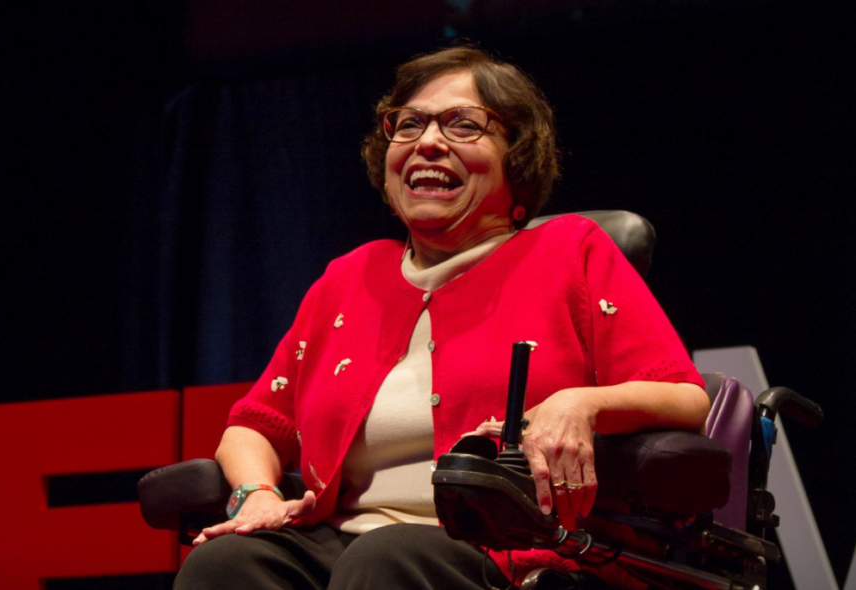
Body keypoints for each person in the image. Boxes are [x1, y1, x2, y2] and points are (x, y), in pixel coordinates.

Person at [174, 46, 710, 590]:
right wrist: (257, 493)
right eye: (407, 124)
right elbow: (255, 425)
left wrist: (581, 403)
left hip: (513, 546)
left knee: (387, 558)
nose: (427, 142)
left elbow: (685, 398)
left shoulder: (571, 252)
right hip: (342, 541)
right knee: (225, 566)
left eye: (462, 124)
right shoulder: (348, 278)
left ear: (516, 157)